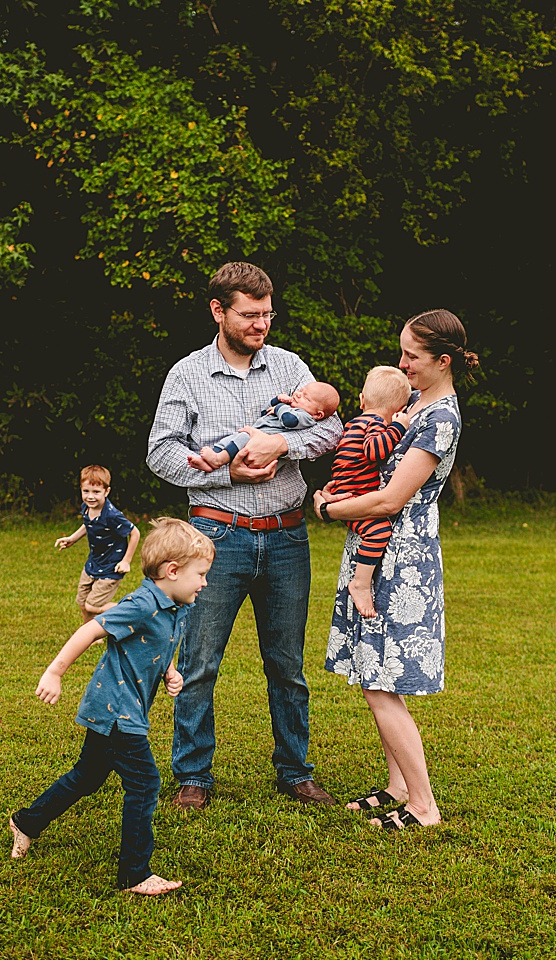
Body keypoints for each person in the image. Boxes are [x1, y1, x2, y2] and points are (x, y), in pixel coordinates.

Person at [147, 261, 343, 810]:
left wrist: (284, 446)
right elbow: (160, 453)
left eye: (268, 314)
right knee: (200, 662)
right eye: (250, 315)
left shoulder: (288, 367)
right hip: (214, 539)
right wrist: (224, 471)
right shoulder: (186, 374)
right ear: (219, 311)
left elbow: (331, 427)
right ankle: (193, 777)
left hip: (286, 538)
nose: (262, 325)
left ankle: (295, 772)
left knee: (287, 665)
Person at [314, 309, 479, 829]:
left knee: (380, 683)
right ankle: (397, 785)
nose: (401, 363)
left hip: (398, 556)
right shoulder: (412, 402)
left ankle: (423, 805)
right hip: (375, 548)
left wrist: (328, 509)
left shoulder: (441, 418)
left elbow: (391, 499)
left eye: (412, 356)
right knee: (376, 676)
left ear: (443, 361)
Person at [8, 518, 214, 896]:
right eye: (200, 574)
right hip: (117, 710)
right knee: (146, 783)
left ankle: (26, 822)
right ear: (172, 571)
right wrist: (55, 673)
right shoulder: (141, 604)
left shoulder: (175, 605)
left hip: (122, 707)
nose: (204, 582)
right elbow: (91, 630)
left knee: (87, 775)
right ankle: (135, 874)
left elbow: (161, 644)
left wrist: (170, 672)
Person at [326, 365, 413, 619]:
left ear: (362, 399)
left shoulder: (355, 422)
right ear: (397, 411)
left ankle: (361, 582)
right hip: (353, 496)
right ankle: (360, 583)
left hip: (344, 490)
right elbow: (374, 451)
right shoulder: (374, 424)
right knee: (379, 531)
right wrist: (398, 428)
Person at [187, 381, 341, 472]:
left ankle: (219, 459)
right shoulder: (292, 407)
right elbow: (265, 412)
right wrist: (276, 401)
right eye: (301, 390)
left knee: (243, 437)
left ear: (318, 414)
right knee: (232, 438)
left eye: (305, 397)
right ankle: (208, 462)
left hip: (263, 444)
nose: (299, 394)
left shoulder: (306, 417)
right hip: (257, 434)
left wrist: (281, 407)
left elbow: (289, 421)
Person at [54, 465, 140, 622]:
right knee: (82, 602)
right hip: (94, 562)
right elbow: (88, 524)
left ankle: (135, 611)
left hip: (111, 566)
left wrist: (126, 561)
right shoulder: (87, 508)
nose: (90, 497)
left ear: (107, 492)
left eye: (96, 492)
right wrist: (72, 539)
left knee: (92, 606)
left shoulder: (112, 515)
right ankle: (90, 636)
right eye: (86, 491)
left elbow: (135, 533)